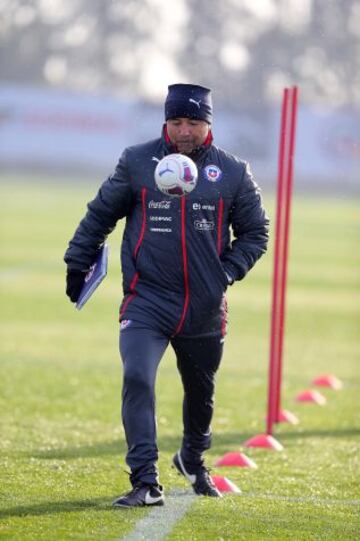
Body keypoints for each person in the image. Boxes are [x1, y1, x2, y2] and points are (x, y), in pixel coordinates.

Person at [64, 83, 269, 508]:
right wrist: (76, 261)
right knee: (137, 376)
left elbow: (255, 233)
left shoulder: (232, 172)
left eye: (193, 122)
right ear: (166, 122)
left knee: (201, 393)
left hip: (203, 307)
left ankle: (192, 458)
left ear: (207, 123)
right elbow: (100, 214)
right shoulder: (138, 161)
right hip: (147, 300)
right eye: (176, 121)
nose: (184, 131)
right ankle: (145, 479)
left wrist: (225, 272)